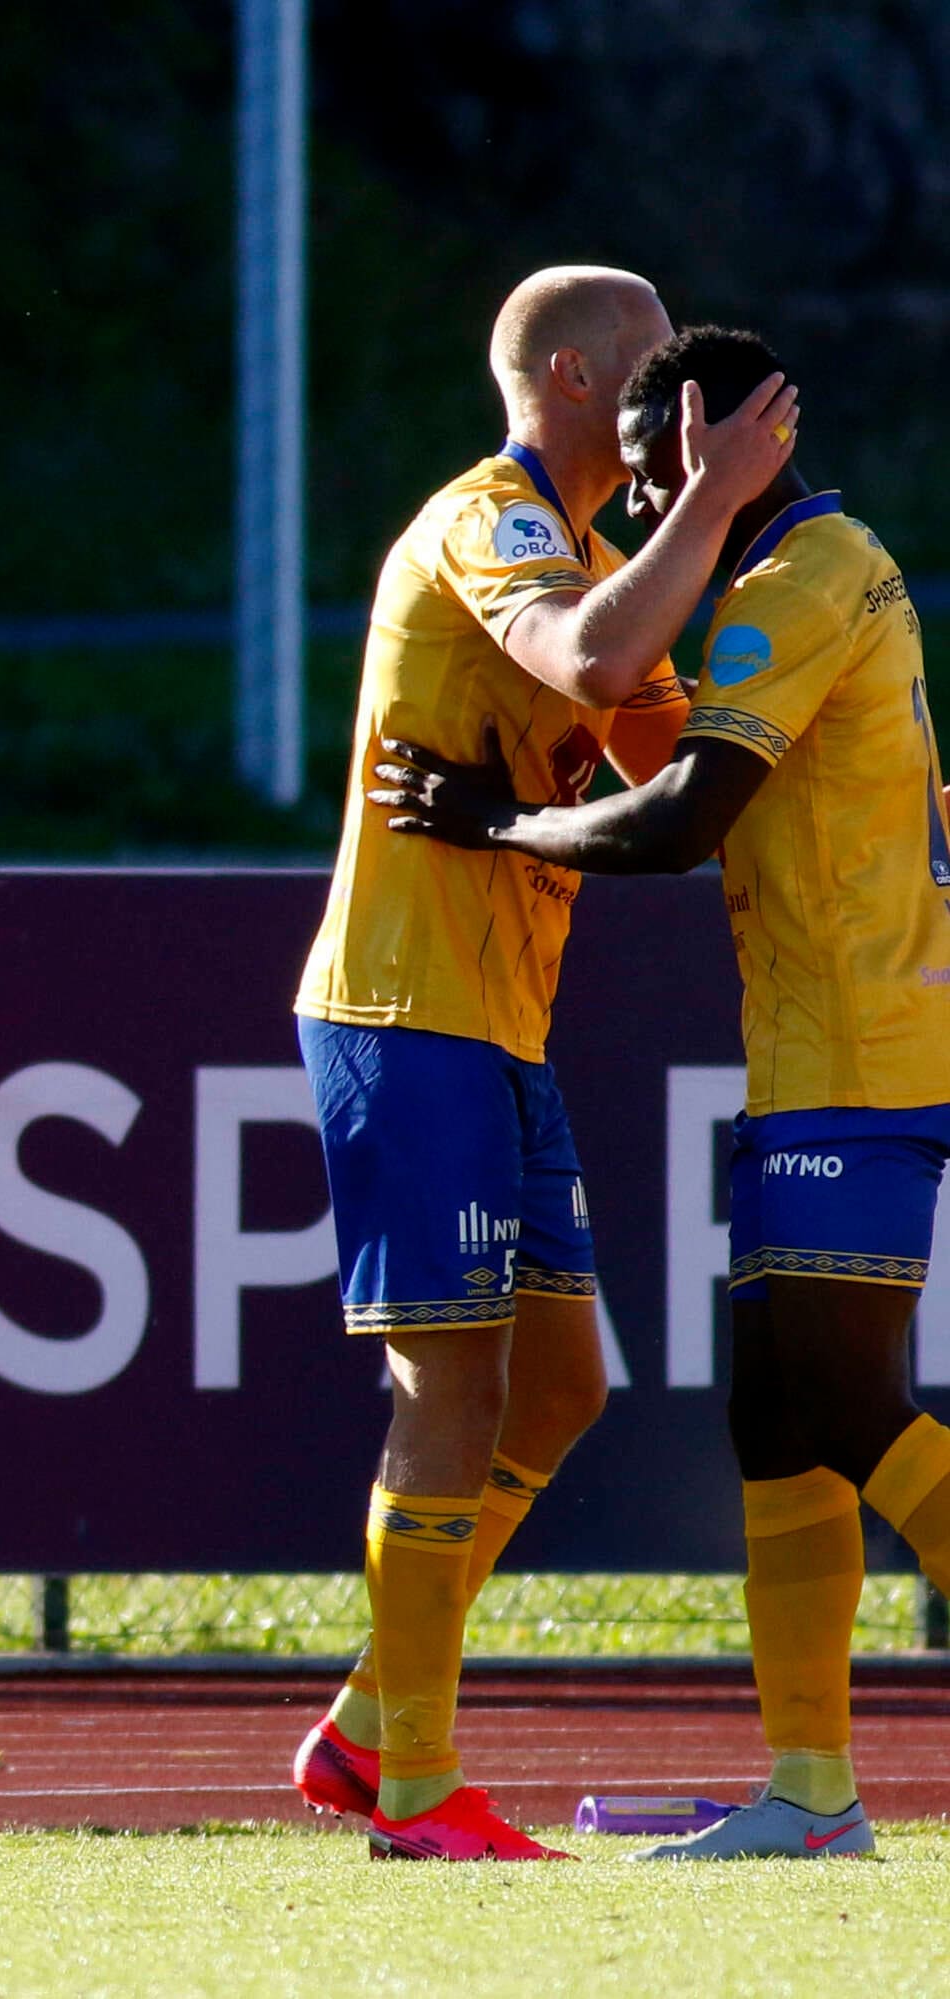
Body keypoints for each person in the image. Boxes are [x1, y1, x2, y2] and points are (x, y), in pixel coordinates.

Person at [375, 324, 939, 1861]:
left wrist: (495, 820)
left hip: (859, 1050)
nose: (636, 507)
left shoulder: (792, 588)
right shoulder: (825, 572)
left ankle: (809, 1790)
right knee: (778, 1412)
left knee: (840, 1396)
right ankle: (811, 1789)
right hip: (825, 1043)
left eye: (648, 469)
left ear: (709, 436)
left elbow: (682, 817)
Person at [288, 266, 801, 1860]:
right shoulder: (489, 520)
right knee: (449, 1383)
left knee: (564, 1383)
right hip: (406, 1007)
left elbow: (676, 769)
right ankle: (416, 1785)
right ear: (576, 375)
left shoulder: (590, 554)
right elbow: (588, 666)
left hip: (496, 1019)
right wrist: (708, 502)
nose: (672, 387)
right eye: (649, 357)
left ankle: (368, 1722)